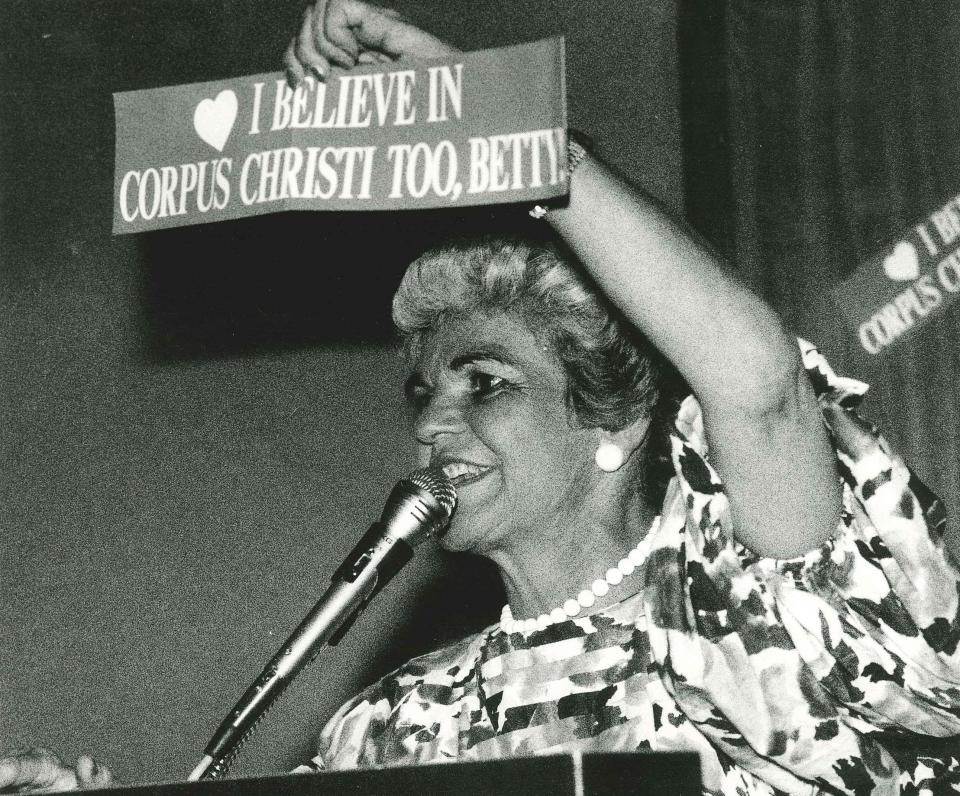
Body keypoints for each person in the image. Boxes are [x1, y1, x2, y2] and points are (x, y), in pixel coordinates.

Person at [3, 1, 959, 793]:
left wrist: (503, 128)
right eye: (423, 392)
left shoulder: (749, 622)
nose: (429, 425)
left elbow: (763, 389)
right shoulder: (393, 728)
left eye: (485, 384)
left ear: (614, 422)